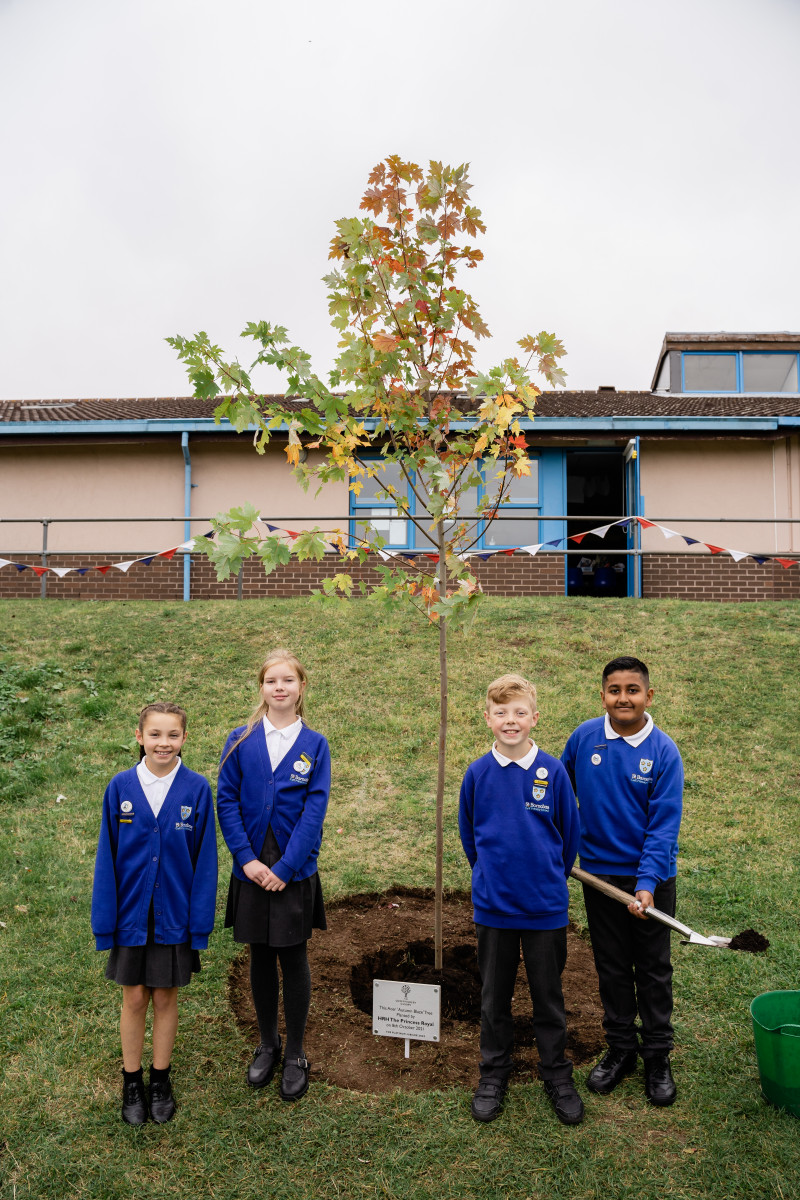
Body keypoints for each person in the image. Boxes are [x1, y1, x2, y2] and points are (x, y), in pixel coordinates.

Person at [458, 673, 582, 1125]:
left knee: (548, 997)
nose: (510, 721)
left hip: (545, 908)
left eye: (519, 712)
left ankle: (556, 1072)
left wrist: (548, 875)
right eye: (501, 712)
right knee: (494, 999)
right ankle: (494, 1073)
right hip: (494, 909)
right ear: (487, 718)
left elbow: (569, 839)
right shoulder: (477, 774)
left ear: (534, 717)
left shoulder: (553, 772)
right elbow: (470, 837)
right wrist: (491, 876)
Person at [561, 655, 683, 1106]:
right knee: (611, 965)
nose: (623, 698)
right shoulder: (584, 738)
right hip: (597, 875)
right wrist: (556, 845)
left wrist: (647, 883)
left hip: (651, 879)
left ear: (649, 696)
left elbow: (663, 827)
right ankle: (621, 1049)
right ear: (603, 696)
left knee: (652, 968)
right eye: (615, 690)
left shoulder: (663, 752)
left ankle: (657, 1056)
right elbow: (557, 787)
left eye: (633, 690)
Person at [91, 703, 218, 1126]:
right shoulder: (120, 787)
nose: (164, 743)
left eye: (173, 735)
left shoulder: (197, 789)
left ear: (185, 738)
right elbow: (106, 860)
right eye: (156, 734)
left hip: (175, 916)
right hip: (131, 915)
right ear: (139, 736)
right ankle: (132, 1080)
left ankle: (160, 1078)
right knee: (134, 997)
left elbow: (205, 863)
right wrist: (105, 920)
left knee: (165, 996)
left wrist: (198, 923)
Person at [217, 649, 330, 1102]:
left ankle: (297, 1051)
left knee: (292, 957)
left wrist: (285, 868)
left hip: (292, 870)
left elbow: (314, 811)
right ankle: (268, 1042)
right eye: (270, 681)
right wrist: (247, 859)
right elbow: (226, 800)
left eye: (288, 680)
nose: (279, 688)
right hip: (251, 867)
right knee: (260, 957)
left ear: (302, 688)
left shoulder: (315, 744)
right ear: (261, 688)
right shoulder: (240, 739)